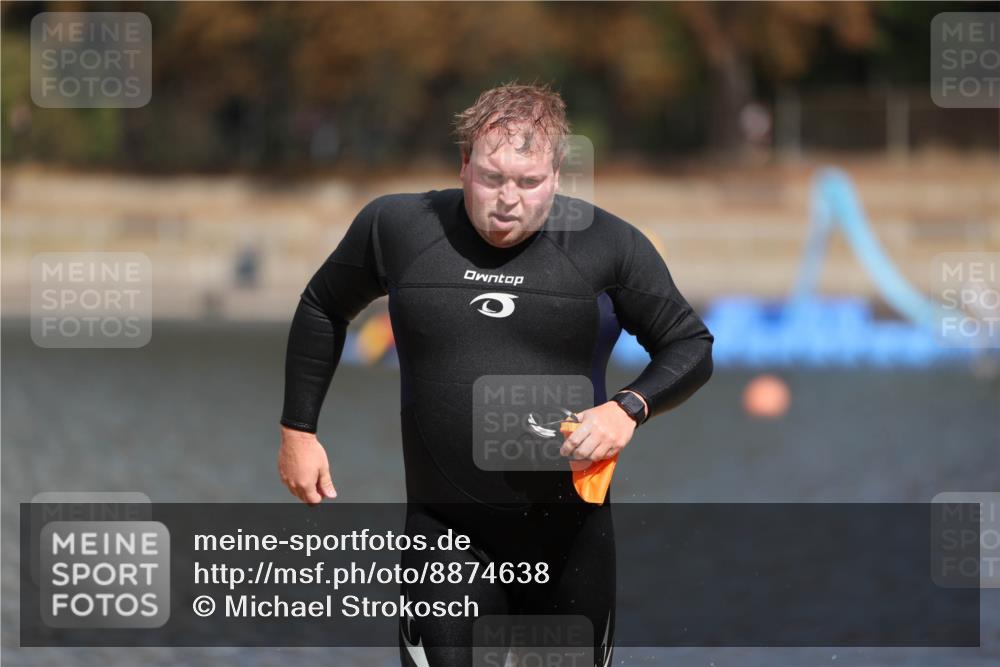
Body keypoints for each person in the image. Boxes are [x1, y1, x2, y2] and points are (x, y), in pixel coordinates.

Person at [278, 82, 713, 667]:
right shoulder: (399, 228)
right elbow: (322, 307)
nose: (508, 198)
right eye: (491, 177)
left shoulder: (607, 247)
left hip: (569, 543)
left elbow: (690, 344)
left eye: (529, 182)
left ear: (557, 175)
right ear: (463, 164)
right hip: (444, 536)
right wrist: (298, 431)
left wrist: (627, 407)